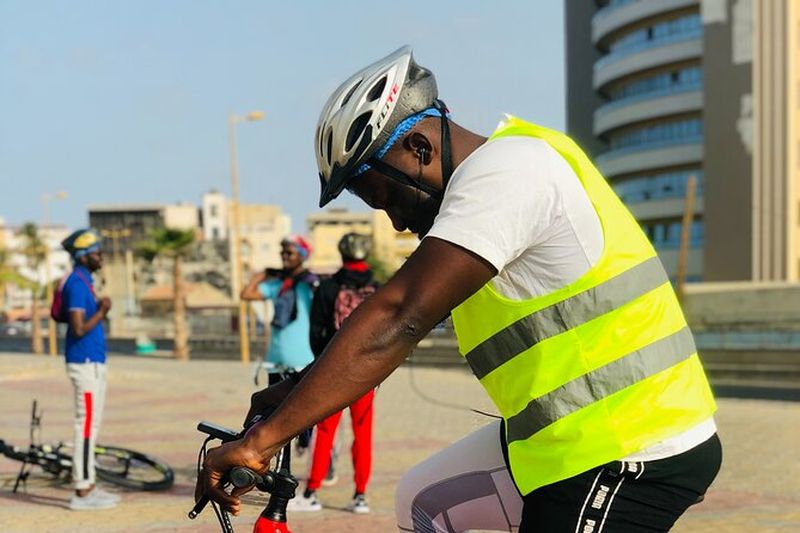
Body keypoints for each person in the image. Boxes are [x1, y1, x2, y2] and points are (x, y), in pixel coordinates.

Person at [198, 47, 722, 532]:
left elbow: (399, 316)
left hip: (630, 445)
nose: (398, 223)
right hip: (561, 439)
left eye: (388, 198)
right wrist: (294, 392)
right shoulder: (494, 185)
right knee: (422, 501)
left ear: (419, 147)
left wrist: (265, 440)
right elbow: (381, 332)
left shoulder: (508, 173)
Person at [289, 232, 379, 514]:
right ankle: (360, 496)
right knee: (363, 434)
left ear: (342, 254)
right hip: (368, 372)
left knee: (325, 431)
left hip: (334, 371)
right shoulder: (378, 287)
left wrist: (322, 364)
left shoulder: (328, 287)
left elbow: (316, 331)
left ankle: (312, 492)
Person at [59, 229, 120, 511]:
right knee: (85, 426)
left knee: (90, 426)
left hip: (92, 362)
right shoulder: (77, 283)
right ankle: (82, 490)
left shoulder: (83, 280)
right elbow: (79, 327)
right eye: (96, 253)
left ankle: (89, 484)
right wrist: (102, 310)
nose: (101, 256)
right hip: (84, 364)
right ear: (82, 256)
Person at [241, 235, 319, 386]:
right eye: (282, 253)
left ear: (302, 256)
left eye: (289, 253)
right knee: (275, 407)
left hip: (303, 360)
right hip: (275, 359)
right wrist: (264, 274)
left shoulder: (310, 284)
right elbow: (246, 294)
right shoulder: (278, 284)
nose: (284, 256)